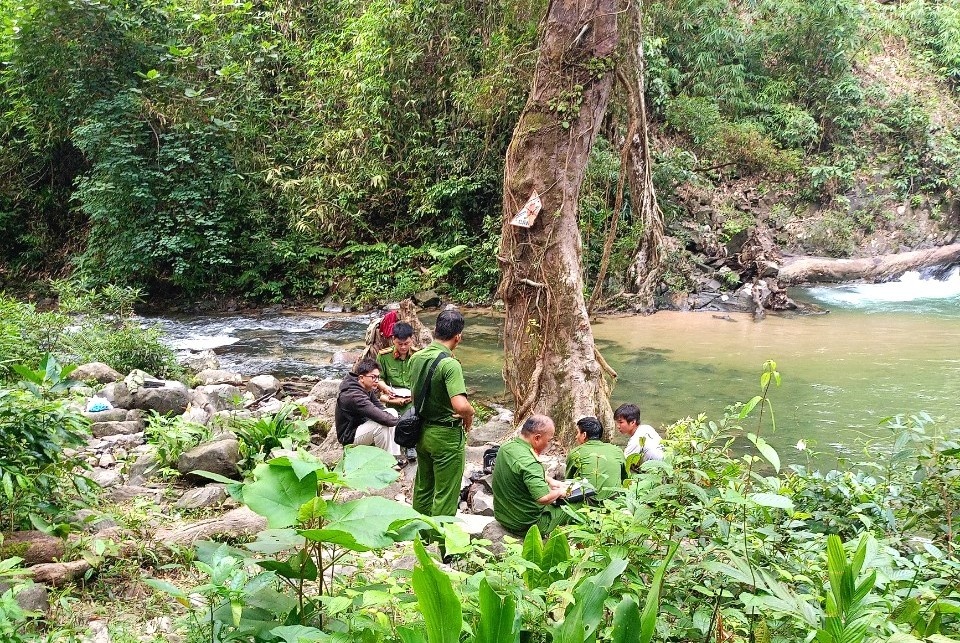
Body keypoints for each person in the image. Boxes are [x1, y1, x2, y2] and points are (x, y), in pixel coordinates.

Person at [407, 309, 474, 517]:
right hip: (446, 436)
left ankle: (420, 538)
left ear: (435, 330)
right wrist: (470, 414)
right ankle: (442, 545)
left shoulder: (416, 357)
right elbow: (460, 405)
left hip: (421, 432)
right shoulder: (450, 364)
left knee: (423, 488)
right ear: (458, 337)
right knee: (445, 494)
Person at [491, 415, 568, 536]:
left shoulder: (506, 447)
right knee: (578, 504)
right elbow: (543, 498)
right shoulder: (531, 462)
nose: (549, 444)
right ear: (537, 438)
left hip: (504, 516)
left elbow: (520, 471)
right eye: (548, 440)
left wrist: (550, 481)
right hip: (526, 524)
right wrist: (560, 492)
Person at [334, 358, 405, 467]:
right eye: (373, 377)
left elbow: (380, 408)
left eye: (378, 377)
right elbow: (381, 417)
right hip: (350, 437)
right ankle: (385, 463)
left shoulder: (366, 387)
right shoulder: (353, 395)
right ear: (361, 378)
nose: (376, 380)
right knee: (381, 425)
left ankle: (393, 456)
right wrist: (403, 422)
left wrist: (397, 418)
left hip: (363, 427)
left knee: (391, 412)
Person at [376, 321, 418, 462]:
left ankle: (411, 446)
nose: (403, 347)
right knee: (392, 416)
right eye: (400, 344)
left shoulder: (418, 356)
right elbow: (379, 379)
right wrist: (385, 388)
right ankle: (395, 451)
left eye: (406, 343)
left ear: (412, 339)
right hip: (392, 397)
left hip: (413, 398)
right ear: (393, 340)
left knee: (413, 414)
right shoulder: (384, 356)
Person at [565, 416, 626, 499]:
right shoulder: (617, 451)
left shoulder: (576, 453)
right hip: (615, 503)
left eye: (578, 432)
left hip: (587, 504)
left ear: (584, 435)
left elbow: (569, 483)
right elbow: (625, 479)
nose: (576, 436)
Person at [614, 403, 664, 467]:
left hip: (656, 469)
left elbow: (624, 463)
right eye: (617, 422)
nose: (618, 426)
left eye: (621, 422)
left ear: (633, 422)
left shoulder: (636, 439)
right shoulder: (647, 428)